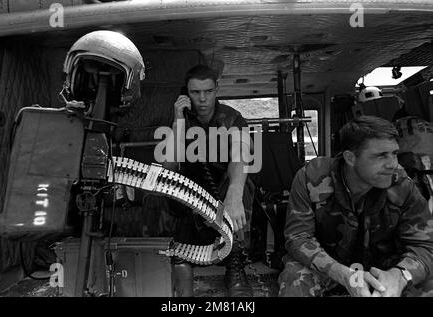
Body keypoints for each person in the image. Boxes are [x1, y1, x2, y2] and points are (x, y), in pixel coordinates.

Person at [278, 115, 433, 297]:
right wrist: (343, 275)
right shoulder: (312, 178)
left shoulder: (402, 184)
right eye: (381, 155)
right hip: (329, 264)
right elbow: (298, 237)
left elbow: (424, 245)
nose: (393, 164)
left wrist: (399, 275)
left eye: (394, 154)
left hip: (382, 267)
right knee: (294, 278)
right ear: (350, 158)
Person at [159, 64, 255, 297]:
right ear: (186, 92)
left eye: (208, 91)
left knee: (243, 186)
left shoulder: (232, 118)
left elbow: (242, 154)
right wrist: (178, 121)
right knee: (168, 185)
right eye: (195, 92)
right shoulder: (179, 119)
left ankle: (235, 265)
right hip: (190, 191)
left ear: (216, 90)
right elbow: (169, 165)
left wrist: (234, 193)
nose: (202, 98)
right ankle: (181, 259)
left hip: (222, 187)